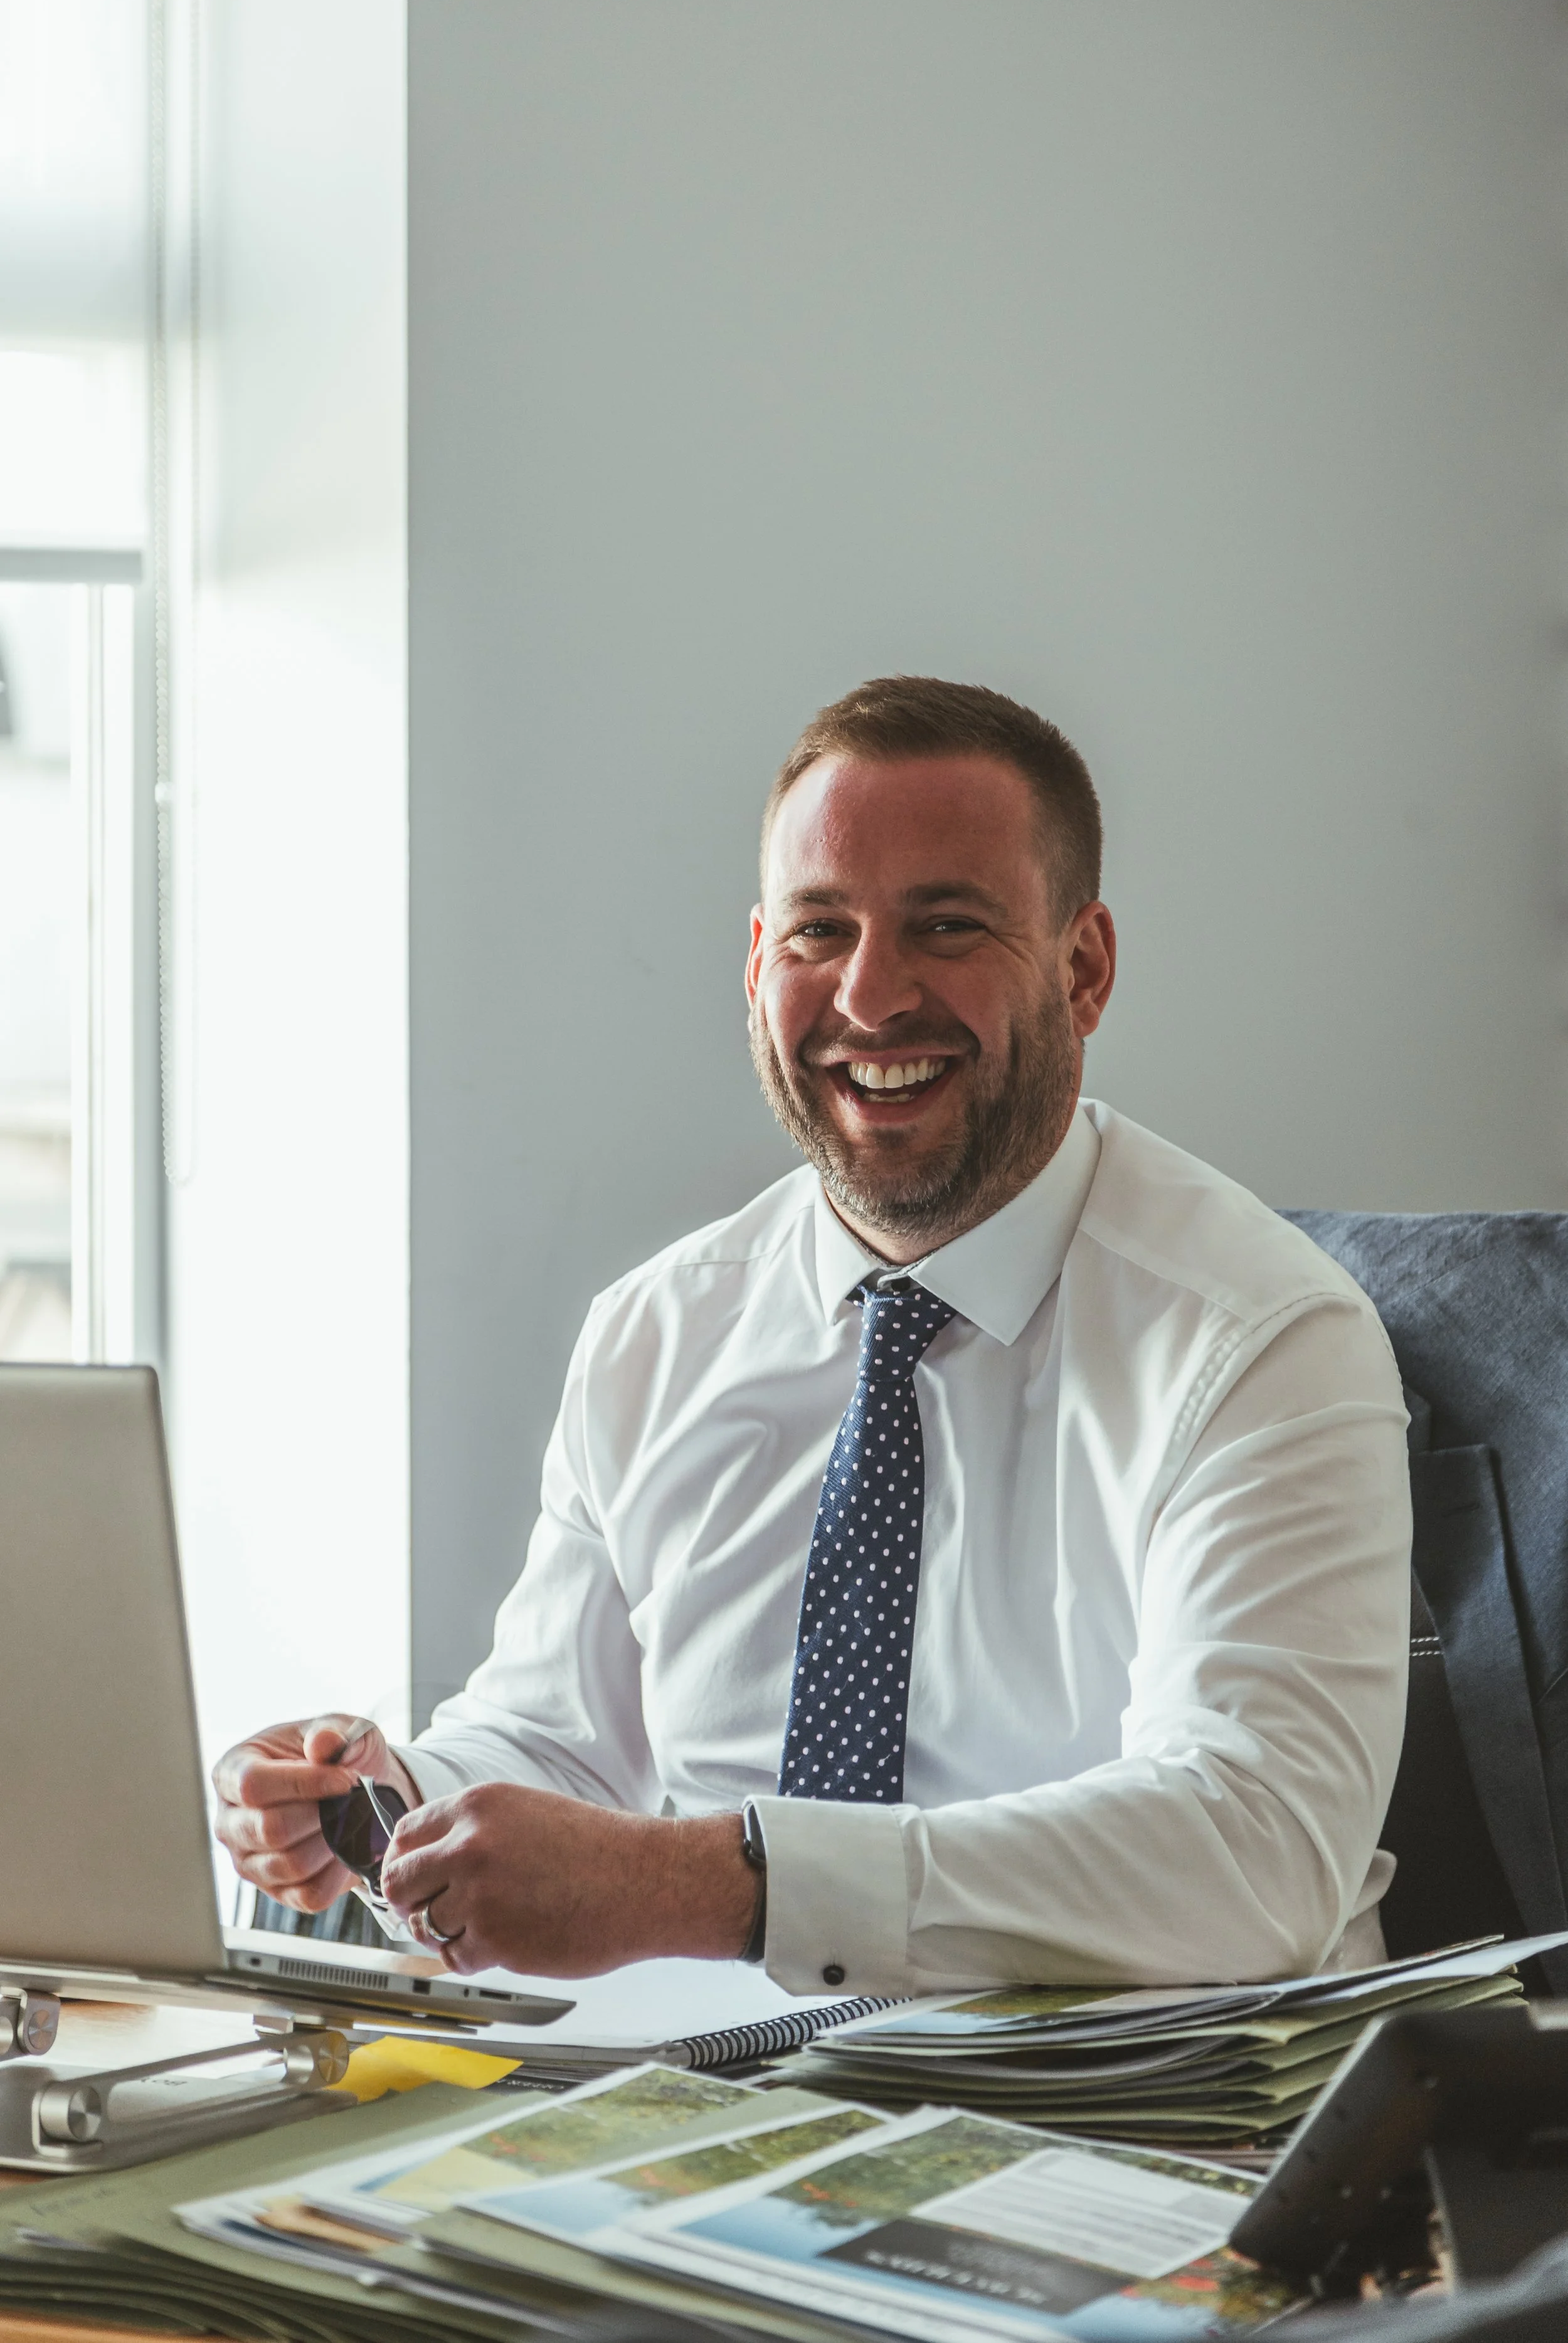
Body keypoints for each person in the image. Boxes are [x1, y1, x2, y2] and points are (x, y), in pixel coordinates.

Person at [213, 675, 1411, 1998]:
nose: (869, 995)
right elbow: (557, 1743)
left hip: (1135, 2132)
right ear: (753, 966)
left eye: (945, 927)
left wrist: (710, 1886)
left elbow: (1251, 1856)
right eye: (815, 931)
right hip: (715, 2114)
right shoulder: (656, 1332)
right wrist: (393, 1803)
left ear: (1082, 971)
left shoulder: (1261, 1340)